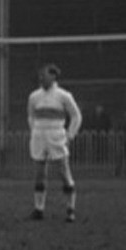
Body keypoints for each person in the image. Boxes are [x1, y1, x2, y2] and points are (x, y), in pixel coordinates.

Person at [27, 64, 82, 222]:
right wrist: (35, 130)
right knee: (39, 173)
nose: (41, 78)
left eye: (44, 75)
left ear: (53, 77)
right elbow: (30, 115)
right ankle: (39, 209)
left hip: (56, 136)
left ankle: (70, 209)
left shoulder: (64, 96)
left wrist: (70, 135)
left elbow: (76, 116)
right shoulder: (34, 96)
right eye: (40, 75)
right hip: (39, 137)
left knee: (63, 172)